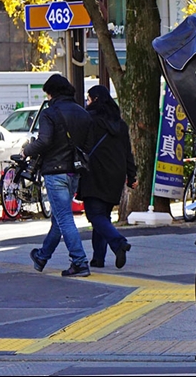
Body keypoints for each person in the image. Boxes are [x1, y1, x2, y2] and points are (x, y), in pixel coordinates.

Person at [25, 74, 94, 277]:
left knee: (64, 218)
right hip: (75, 171)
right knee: (59, 217)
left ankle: (80, 262)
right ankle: (42, 256)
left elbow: (44, 141)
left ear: (51, 93)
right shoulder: (83, 113)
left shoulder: (50, 113)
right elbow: (89, 145)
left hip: (55, 172)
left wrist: (27, 150)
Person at [79, 85, 138, 269]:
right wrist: (131, 175)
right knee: (103, 214)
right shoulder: (120, 124)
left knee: (94, 214)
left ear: (95, 99)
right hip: (116, 174)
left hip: (95, 172)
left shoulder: (89, 120)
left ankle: (118, 242)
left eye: (89, 99)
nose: (87, 102)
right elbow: (128, 152)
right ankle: (98, 258)